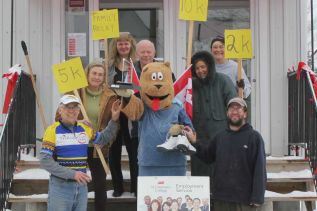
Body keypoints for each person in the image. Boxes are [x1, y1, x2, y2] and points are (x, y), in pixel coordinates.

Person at [184, 97, 267, 211]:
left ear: (245, 114)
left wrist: (257, 198)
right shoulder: (221, 137)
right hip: (220, 200)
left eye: (238, 108)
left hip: (244, 202)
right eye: (231, 108)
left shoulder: (254, 137)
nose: (234, 111)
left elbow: (260, 169)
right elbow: (207, 156)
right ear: (227, 113)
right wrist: (194, 142)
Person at [40, 94, 120, 211]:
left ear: (79, 111)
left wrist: (114, 120)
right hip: (61, 187)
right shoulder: (52, 130)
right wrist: (73, 174)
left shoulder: (84, 128)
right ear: (60, 110)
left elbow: (103, 139)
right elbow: (45, 160)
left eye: (75, 107)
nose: (72, 111)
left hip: (81, 188)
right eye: (68, 107)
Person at [190, 51, 236, 178]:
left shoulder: (223, 80)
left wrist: (235, 130)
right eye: (197, 68)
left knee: (220, 169)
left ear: (209, 66)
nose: (200, 71)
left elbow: (233, 106)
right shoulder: (191, 85)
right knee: (201, 170)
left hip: (220, 136)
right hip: (199, 137)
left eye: (203, 67)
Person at [108, 32, 138, 196]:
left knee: (134, 150)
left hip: (131, 112)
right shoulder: (109, 65)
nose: (123, 46)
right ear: (116, 46)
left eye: (126, 43)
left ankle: (135, 187)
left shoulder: (137, 64)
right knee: (114, 150)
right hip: (114, 111)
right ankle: (118, 187)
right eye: (120, 43)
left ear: (131, 44)